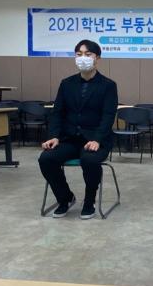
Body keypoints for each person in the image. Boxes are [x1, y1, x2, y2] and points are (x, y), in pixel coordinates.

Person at [39, 40, 118, 219]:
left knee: (89, 160)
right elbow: (57, 113)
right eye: (79, 54)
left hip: (96, 140)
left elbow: (108, 116)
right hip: (70, 139)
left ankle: (89, 201)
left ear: (97, 58)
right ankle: (65, 198)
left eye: (88, 54)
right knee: (46, 158)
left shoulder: (108, 85)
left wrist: (97, 139)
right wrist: (54, 136)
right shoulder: (66, 83)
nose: (83, 58)